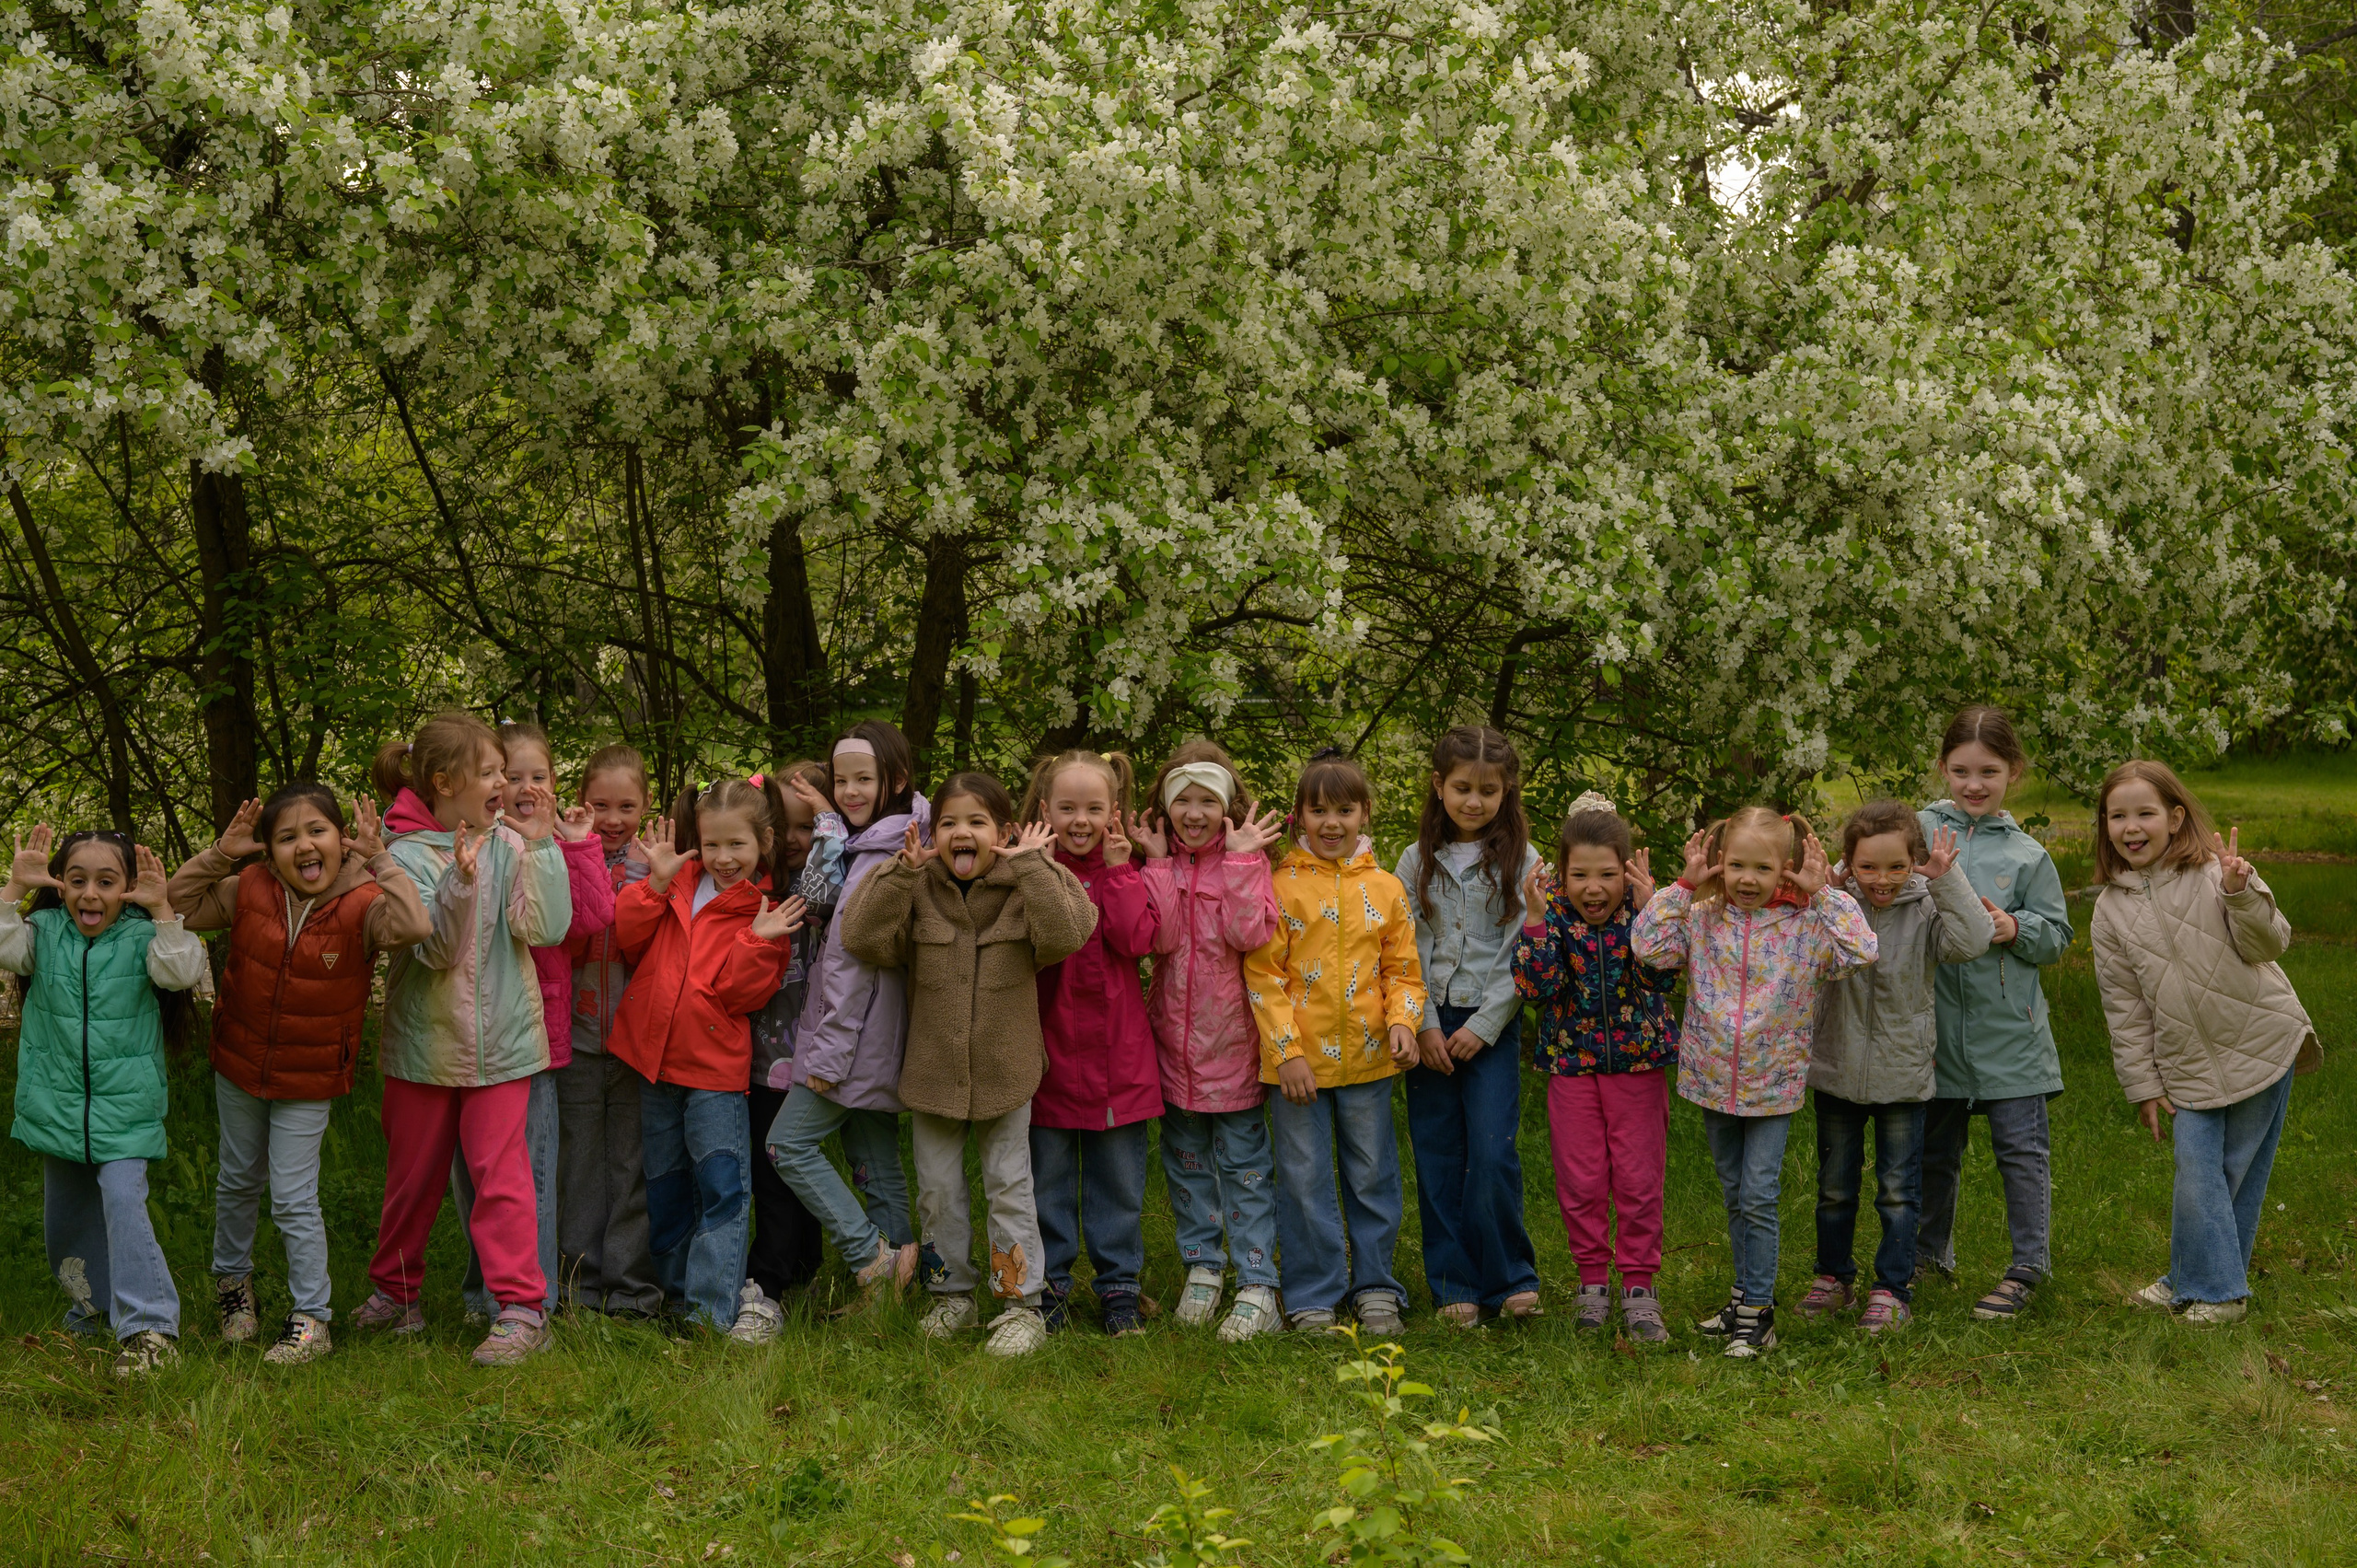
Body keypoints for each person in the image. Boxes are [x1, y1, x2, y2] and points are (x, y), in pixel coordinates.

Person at [168, 785, 432, 1364]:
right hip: (239, 1063)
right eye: (286, 837)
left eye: (317, 831)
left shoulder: (366, 903)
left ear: (341, 839)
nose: (304, 846)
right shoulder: (249, 888)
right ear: (267, 850)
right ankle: (233, 1291)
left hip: (310, 1076)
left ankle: (312, 1317)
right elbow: (177, 903)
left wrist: (381, 858)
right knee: (237, 1180)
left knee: (292, 1196)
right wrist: (220, 853)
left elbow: (414, 926)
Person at [839, 771, 1097, 1358]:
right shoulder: (916, 884)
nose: (962, 833)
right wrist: (901, 872)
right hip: (932, 1073)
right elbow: (862, 937)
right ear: (932, 834)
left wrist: (1032, 863)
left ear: (1002, 832)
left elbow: (1070, 931)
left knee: (1009, 1188)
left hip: (1007, 1071)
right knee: (937, 1190)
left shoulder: (1026, 882)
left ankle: (1019, 1304)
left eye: (977, 823)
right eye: (949, 823)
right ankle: (950, 1293)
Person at [354, 710, 573, 1365]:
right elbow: (437, 949)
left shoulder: (509, 843)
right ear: (446, 783)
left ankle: (521, 1309)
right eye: (488, 772)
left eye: (504, 771)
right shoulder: (403, 853)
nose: (503, 782)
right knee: (412, 1180)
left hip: (502, 1047)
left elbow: (546, 928)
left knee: (502, 1178)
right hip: (424, 1047)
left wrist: (540, 845)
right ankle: (397, 1294)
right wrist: (458, 877)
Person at [1633, 807, 1875, 1357]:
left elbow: (1863, 949)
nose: (1748, 879)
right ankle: (1741, 1296)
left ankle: (1759, 1313)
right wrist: (1682, 886)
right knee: (1736, 1194)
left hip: (1774, 1083)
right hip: (1711, 1077)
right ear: (1719, 864)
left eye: (1762, 869)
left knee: (1760, 1196)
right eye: (1737, 865)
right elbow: (1647, 947)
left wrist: (1825, 894)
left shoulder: (1808, 926)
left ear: (1784, 870)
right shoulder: (1700, 918)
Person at [2090, 761, 2321, 1325]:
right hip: (2187, 1064)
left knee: (2237, 1169)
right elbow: (2126, 1011)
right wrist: (2143, 1085)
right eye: (2117, 815)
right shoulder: (2109, 911)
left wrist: (2243, 893)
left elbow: (2272, 943)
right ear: (2105, 826)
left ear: (2175, 817)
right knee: (2199, 1170)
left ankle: (2215, 1291)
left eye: (2145, 813)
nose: (2131, 826)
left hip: (2263, 1041)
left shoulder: (2219, 875)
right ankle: (2204, 1279)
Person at [3, 826, 206, 1376]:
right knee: (65, 1221)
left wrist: (163, 909)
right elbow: (3, 946)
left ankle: (149, 1329)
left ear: (128, 888)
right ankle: (90, 1310)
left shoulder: (144, 937)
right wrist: (11, 891)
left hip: (126, 1110)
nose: (90, 894)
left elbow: (183, 971)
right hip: (56, 1109)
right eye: (77, 880)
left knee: (122, 1202)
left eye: (106, 881)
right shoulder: (42, 931)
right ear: (59, 885)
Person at [610, 777, 806, 1331]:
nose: (724, 858)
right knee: (667, 1186)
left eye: (737, 845)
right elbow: (628, 940)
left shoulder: (766, 912)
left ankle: (709, 1310)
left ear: (763, 842)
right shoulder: (676, 881)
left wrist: (756, 940)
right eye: (713, 844)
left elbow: (738, 996)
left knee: (722, 1187)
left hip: (714, 1075)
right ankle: (675, 1298)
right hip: (653, 1063)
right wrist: (653, 885)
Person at [1245, 749, 1427, 1337]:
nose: (1331, 823)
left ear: (1364, 813)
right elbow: (1263, 977)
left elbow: (1402, 970)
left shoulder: (1387, 888)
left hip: (1371, 1064)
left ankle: (1376, 1287)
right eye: (1318, 810)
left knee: (1373, 1176)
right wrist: (1287, 1054)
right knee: (1302, 1180)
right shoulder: (1279, 887)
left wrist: (1403, 1022)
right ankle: (1313, 1293)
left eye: (1344, 810)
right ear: (1298, 816)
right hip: (1297, 1071)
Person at [1801, 800, 1991, 1334]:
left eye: (1895, 867)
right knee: (1835, 1186)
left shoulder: (1927, 906)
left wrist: (1946, 882)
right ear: (1849, 862)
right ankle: (1833, 1278)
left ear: (1915, 862)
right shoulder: (1836, 904)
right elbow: (1801, 944)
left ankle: (1891, 1290)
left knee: (1898, 1190)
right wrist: (1828, 886)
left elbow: (1973, 941)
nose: (1881, 880)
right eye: (1867, 867)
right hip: (1836, 1067)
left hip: (1903, 1074)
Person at [449, 721, 613, 1321]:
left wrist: (574, 844)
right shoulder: (475, 840)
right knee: (473, 1176)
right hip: (470, 1035)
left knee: (530, 1177)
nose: (522, 786)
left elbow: (592, 917)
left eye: (536, 776)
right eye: (508, 775)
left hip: (535, 1040)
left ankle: (530, 1300)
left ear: (553, 783)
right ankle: (482, 1290)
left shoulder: (558, 843)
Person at [1915, 705, 2073, 1320]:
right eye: (1961, 770)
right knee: (1934, 1150)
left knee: (2021, 1149)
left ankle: (2028, 1265)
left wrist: (2015, 925)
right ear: (1943, 768)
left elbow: (2056, 934)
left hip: (2012, 1031)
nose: (1974, 783)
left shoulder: (2029, 854)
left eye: (1989, 770)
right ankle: (1930, 1256)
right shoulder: (1920, 829)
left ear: (2013, 771)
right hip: (1931, 1026)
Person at [764, 723, 925, 1302]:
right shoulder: (876, 843)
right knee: (875, 1159)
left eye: (865, 779)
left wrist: (828, 1055)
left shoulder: (881, 856)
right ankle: (894, 1293)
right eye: (843, 780)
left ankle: (867, 1256)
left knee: (789, 1145)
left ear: (897, 780)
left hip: (852, 1038)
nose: (851, 791)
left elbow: (853, 965)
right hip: (874, 1037)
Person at [1510, 792, 1678, 1340]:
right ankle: (1591, 1284)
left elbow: (1661, 977)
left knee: (1637, 1178)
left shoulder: (1642, 913)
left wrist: (1655, 916)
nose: (1593, 888)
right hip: (1571, 1069)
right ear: (1561, 874)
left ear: (1626, 872)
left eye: (1607, 874)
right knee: (1581, 1180)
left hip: (1638, 1068)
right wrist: (1535, 920)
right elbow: (1539, 988)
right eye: (1579, 875)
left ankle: (1638, 1287)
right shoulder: (1552, 915)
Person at [1135, 740, 1285, 1342]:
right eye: (1183, 801)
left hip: (1234, 1050)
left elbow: (1252, 932)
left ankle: (1257, 1283)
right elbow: (1162, 940)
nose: (1194, 813)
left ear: (1228, 806)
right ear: (1166, 807)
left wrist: (1247, 863)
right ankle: (1204, 1268)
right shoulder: (1163, 865)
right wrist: (1153, 864)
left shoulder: (1247, 863)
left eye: (1207, 801)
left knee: (1246, 1169)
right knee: (1188, 1166)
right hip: (1175, 1053)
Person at [1394, 726, 1542, 1327]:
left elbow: (1522, 949)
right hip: (1428, 1026)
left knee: (1490, 1151)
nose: (1474, 801)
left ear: (1507, 791)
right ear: (1439, 785)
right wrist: (1424, 1023)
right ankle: (1453, 1279)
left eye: (1488, 790)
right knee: (1436, 1151)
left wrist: (1485, 1023)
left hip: (1490, 1026)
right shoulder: (1413, 860)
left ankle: (1509, 1276)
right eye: (1462, 788)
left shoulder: (1524, 862)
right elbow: (1403, 944)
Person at [1021, 749, 1162, 1335]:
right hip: (1049, 1055)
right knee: (1047, 1180)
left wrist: (1123, 871)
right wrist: (1030, 869)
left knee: (1118, 1184)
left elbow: (1137, 941)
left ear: (1114, 813)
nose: (1080, 820)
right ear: (1046, 809)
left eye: (1094, 808)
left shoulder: (1120, 871)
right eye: (1068, 807)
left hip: (1118, 1059)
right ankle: (1051, 1284)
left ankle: (1119, 1287)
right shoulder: (1032, 869)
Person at [555, 744, 662, 1314]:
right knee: (578, 1166)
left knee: (630, 1166)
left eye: (626, 805)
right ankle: (578, 1285)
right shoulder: (564, 852)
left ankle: (632, 1289)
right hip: (574, 1036)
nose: (614, 819)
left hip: (634, 1042)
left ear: (645, 804)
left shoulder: (658, 862)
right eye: (601, 805)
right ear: (581, 802)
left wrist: (651, 877)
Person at [735, 758, 833, 1342]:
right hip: (757, 1057)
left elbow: (823, 888)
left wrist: (829, 826)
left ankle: (777, 1277)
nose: (796, 839)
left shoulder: (819, 887)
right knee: (774, 1169)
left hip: (811, 1055)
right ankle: (786, 1273)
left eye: (809, 826)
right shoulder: (756, 886)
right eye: (786, 825)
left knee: (787, 1166)